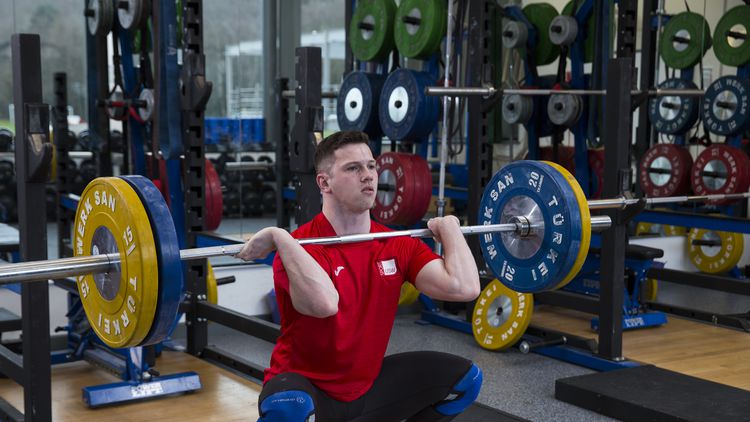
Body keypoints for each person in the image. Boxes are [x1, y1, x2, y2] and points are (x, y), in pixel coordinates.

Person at [237, 131, 482, 422]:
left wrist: (451, 228)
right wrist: (280, 236)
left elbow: (465, 288)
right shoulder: (298, 250)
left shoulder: (396, 244)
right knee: (289, 406)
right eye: (353, 168)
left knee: (465, 381)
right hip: (308, 393)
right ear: (324, 183)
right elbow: (324, 304)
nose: (368, 175)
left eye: (371, 166)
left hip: (367, 393)